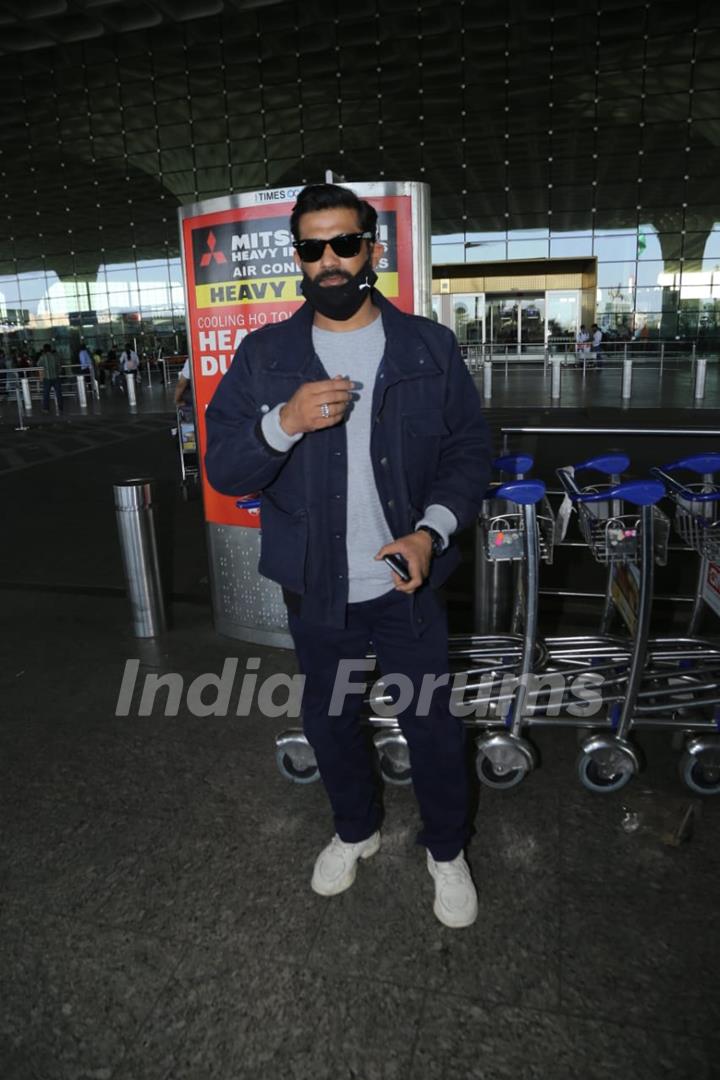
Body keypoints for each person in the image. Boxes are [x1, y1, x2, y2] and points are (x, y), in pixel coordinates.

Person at [205, 183, 492, 929]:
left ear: (373, 248)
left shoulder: (427, 346)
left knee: (430, 724)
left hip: (408, 584)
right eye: (311, 247)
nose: (328, 261)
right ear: (298, 257)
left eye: (343, 243)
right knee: (332, 721)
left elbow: (468, 450)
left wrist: (429, 531)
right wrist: (284, 422)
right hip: (317, 588)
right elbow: (226, 467)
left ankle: (445, 848)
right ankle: (356, 832)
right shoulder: (265, 355)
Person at [38, 343, 63, 414]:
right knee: (58, 393)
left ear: (44, 349)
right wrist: (58, 373)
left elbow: (38, 364)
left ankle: (46, 409)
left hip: (47, 378)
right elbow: (59, 365)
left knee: (46, 394)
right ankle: (60, 408)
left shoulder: (43, 357)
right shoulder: (55, 356)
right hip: (56, 377)